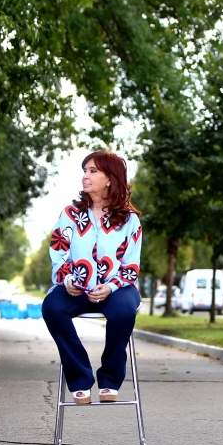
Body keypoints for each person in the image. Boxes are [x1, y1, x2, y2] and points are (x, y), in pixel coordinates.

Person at [41, 151, 142, 404]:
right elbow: (58, 252)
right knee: (52, 307)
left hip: (117, 288)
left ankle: (109, 379)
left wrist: (110, 287)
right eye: (84, 170)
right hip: (77, 287)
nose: (85, 176)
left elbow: (131, 264)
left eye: (93, 171)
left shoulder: (129, 219)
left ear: (110, 178)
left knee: (123, 312)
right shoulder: (70, 214)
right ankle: (80, 377)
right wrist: (67, 280)